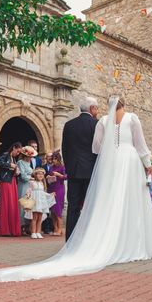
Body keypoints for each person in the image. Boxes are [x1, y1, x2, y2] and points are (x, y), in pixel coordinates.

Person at [0, 96, 152, 282]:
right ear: (123, 105)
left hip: (89, 168)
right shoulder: (128, 119)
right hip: (127, 163)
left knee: (90, 204)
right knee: (126, 202)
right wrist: (147, 163)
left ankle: (77, 241)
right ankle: (129, 242)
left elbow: (93, 147)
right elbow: (140, 144)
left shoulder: (97, 122)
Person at [61, 96, 99, 240]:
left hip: (73, 171)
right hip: (90, 172)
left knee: (73, 207)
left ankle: (70, 240)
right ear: (92, 109)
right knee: (90, 206)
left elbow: (65, 148)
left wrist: (69, 167)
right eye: (97, 108)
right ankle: (88, 240)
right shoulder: (96, 124)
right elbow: (98, 150)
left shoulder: (69, 125)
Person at [0, 142, 23, 237]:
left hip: (13, 181)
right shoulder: (6, 155)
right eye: (18, 151)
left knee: (12, 205)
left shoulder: (14, 159)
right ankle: (5, 230)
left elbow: (13, 170)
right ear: (14, 148)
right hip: (6, 182)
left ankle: (12, 229)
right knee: (6, 204)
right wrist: (10, 165)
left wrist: (16, 172)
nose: (18, 153)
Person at [24, 168, 55, 239]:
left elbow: (43, 193)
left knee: (40, 218)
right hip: (35, 201)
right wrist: (28, 195)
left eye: (42, 174)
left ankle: (38, 232)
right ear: (35, 175)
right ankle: (33, 232)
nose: (41, 175)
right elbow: (29, 190)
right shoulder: (32, 182)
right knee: (34, 217)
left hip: (41, 201)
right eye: (39, 174)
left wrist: (50, 194)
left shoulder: (42, 183)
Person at [46, 151, 66, 236]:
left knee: (58, 210)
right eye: (52, 159)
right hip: (51, 189)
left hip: (59, 189)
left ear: (59, 159)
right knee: (53, 211)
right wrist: (48, 177)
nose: (53, 161)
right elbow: (48, 176)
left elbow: (66, 177)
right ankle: (56, 228)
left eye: (55, 159)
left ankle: (60, 229)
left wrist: (59, 175)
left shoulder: (62, 167)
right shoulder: (51, 167)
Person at [17, 146, 35, 233]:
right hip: (23, 185)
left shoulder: (29, 163)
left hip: (30, 186)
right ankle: (20, 225)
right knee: (22, 205)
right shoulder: (20, 162)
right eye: (29, 156)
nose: (31, 158)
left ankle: (27, 225)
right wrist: (31, 178)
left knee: (29, 205)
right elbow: (23, 176)